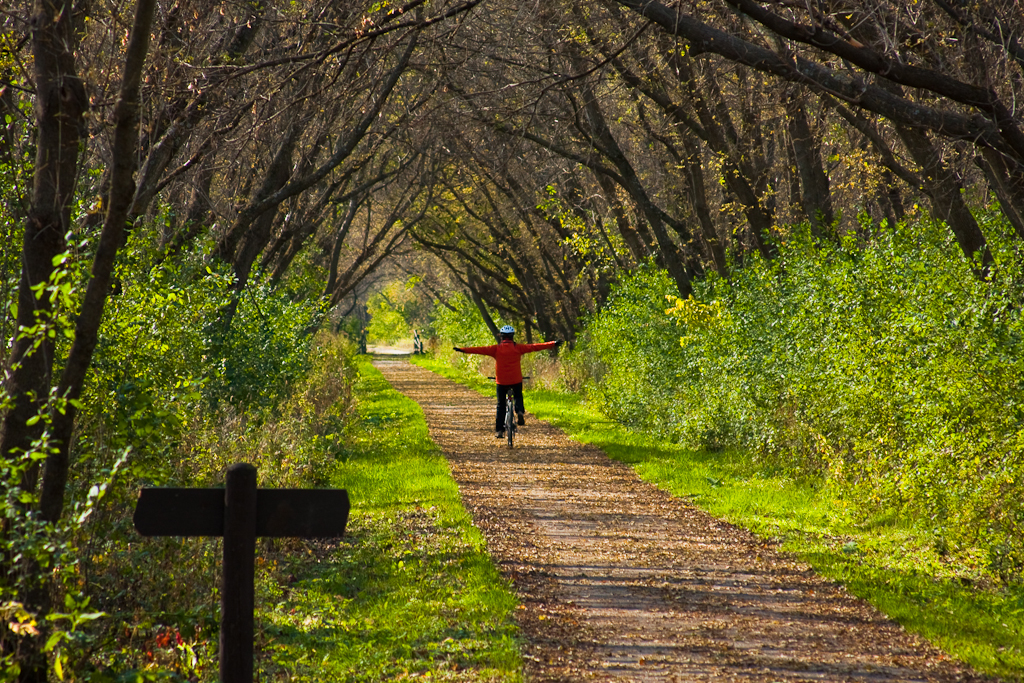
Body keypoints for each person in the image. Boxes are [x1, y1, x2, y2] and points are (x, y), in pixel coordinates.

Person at [454, 325, 561, 439]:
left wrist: (463, 350)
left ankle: (499, 430)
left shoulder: (495, 349)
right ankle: (519, 411)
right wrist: (553, 343)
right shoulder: (519, 348)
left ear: (501, 336)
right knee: (518, 396)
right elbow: (535, 347)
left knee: (501, 405)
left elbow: (479, 350)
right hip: (516, 380)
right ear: (512, 336)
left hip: (501, 381)